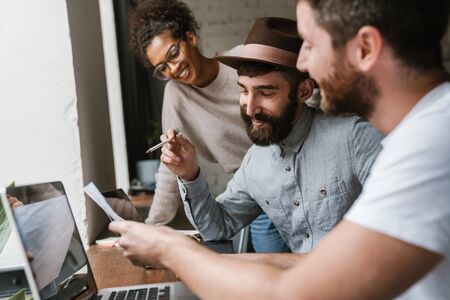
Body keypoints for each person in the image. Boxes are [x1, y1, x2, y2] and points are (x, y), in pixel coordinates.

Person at [110, 1, 450, 299]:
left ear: (364, 48)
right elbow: (318, 266)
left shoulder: (427, 148)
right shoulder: (419, 133)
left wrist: (172, 248)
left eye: (311, 43)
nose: (300, 58)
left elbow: (297, 291)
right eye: (243, 90)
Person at [157, 17, 382, 255]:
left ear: (303, 91)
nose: (250, 108)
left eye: (266, 93)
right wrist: (189, 174)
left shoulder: (354, 138)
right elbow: (217, 227)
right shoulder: (255, 162)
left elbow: (404, 224)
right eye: (244, 90)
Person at [129, 0, 289, 252]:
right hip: (257, 196)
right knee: (276, 279)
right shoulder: (177, 95)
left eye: (173, 54)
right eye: (163, 67)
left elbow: (302, 105)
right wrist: (150, 228)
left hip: (296, 177)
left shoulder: (242, 63)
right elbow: (169, 169)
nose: (173, 68)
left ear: (190, 38)